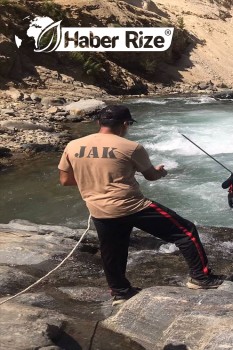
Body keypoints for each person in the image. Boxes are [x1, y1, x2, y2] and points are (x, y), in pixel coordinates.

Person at [58, 105, 223, 306]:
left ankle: (120, 292)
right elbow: (151, 176)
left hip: (98, 209)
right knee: (186, 232)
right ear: (125, 124)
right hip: (132, 205)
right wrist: (161, 171)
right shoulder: (131, 147)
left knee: (113, 251)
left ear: (98, 122)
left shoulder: (73, 145)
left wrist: (94, 180)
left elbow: (66, 180)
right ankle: (201, 278)